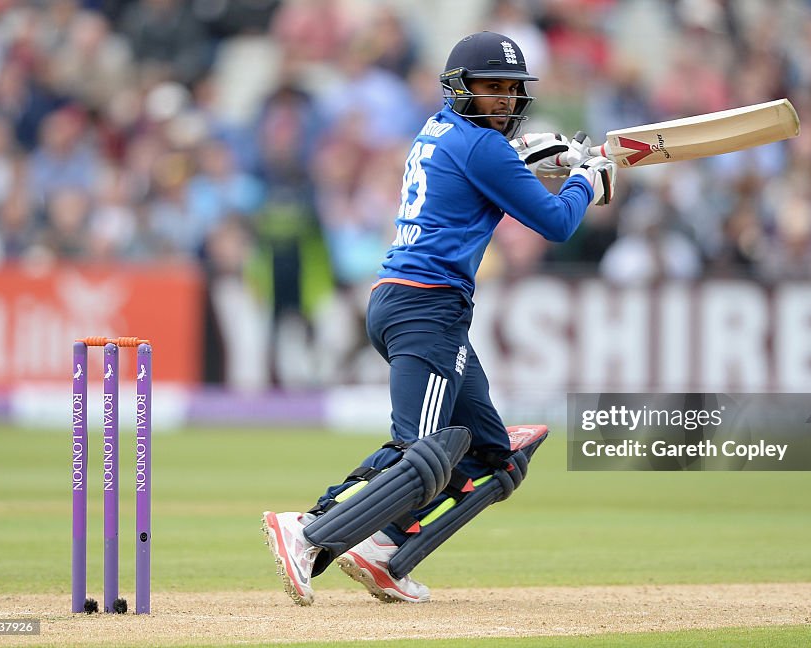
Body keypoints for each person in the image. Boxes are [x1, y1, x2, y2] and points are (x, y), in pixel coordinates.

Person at [262, 31, 616, 605]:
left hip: (414, 303)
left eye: (511, 89)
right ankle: (308, 529)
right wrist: (586, 178)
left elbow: (482, 172)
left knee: (495, 457)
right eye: (490, 88)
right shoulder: (485, 148)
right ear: (460, 87)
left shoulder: (440, 129)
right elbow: (555, 222)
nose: (503, 99)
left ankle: (385, 550)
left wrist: (534, 156)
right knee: (420, 452)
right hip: (425, 306)